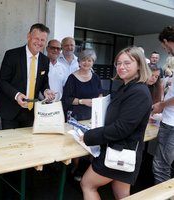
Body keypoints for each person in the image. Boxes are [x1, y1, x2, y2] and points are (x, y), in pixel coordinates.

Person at [81, 46, 152, 199]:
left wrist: (89, 136)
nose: (121, 67)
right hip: (122, 150)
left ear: (139, 65)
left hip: (120, 151)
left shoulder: (138, 92)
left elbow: (121, 129)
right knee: (122, 195)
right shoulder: (128, 87)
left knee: (87, 185)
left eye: (127, 63)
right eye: (118, 63)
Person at [0, 23, 55, 129]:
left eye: (42, 40)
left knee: (28, 144)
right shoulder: (11, 55)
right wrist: (17, 95)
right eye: (36, 38)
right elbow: (2, 81)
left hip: (31, 112)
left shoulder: (45, 60)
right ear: (29, 36)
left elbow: (43, 82)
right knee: (10, 144)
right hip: (11, 110)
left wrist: (46, 90)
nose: (39, 42)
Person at [152, 26, 174, 185]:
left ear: (166, 41)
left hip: (172, 125)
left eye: (164, 46)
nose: (165, 50)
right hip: (168, 121)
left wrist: (161, 105)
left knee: (160, 166)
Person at [62, 49, 103, 121]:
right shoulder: (72, 78)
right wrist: (82, 101)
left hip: (93, 116)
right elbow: (66, 99)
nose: (86, 63)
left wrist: (99, 99)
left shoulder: (96, 77)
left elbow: (100, 92)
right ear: (79, 62)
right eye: (84, 60)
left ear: (93, 62)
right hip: (76, 117)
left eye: (89, 60)